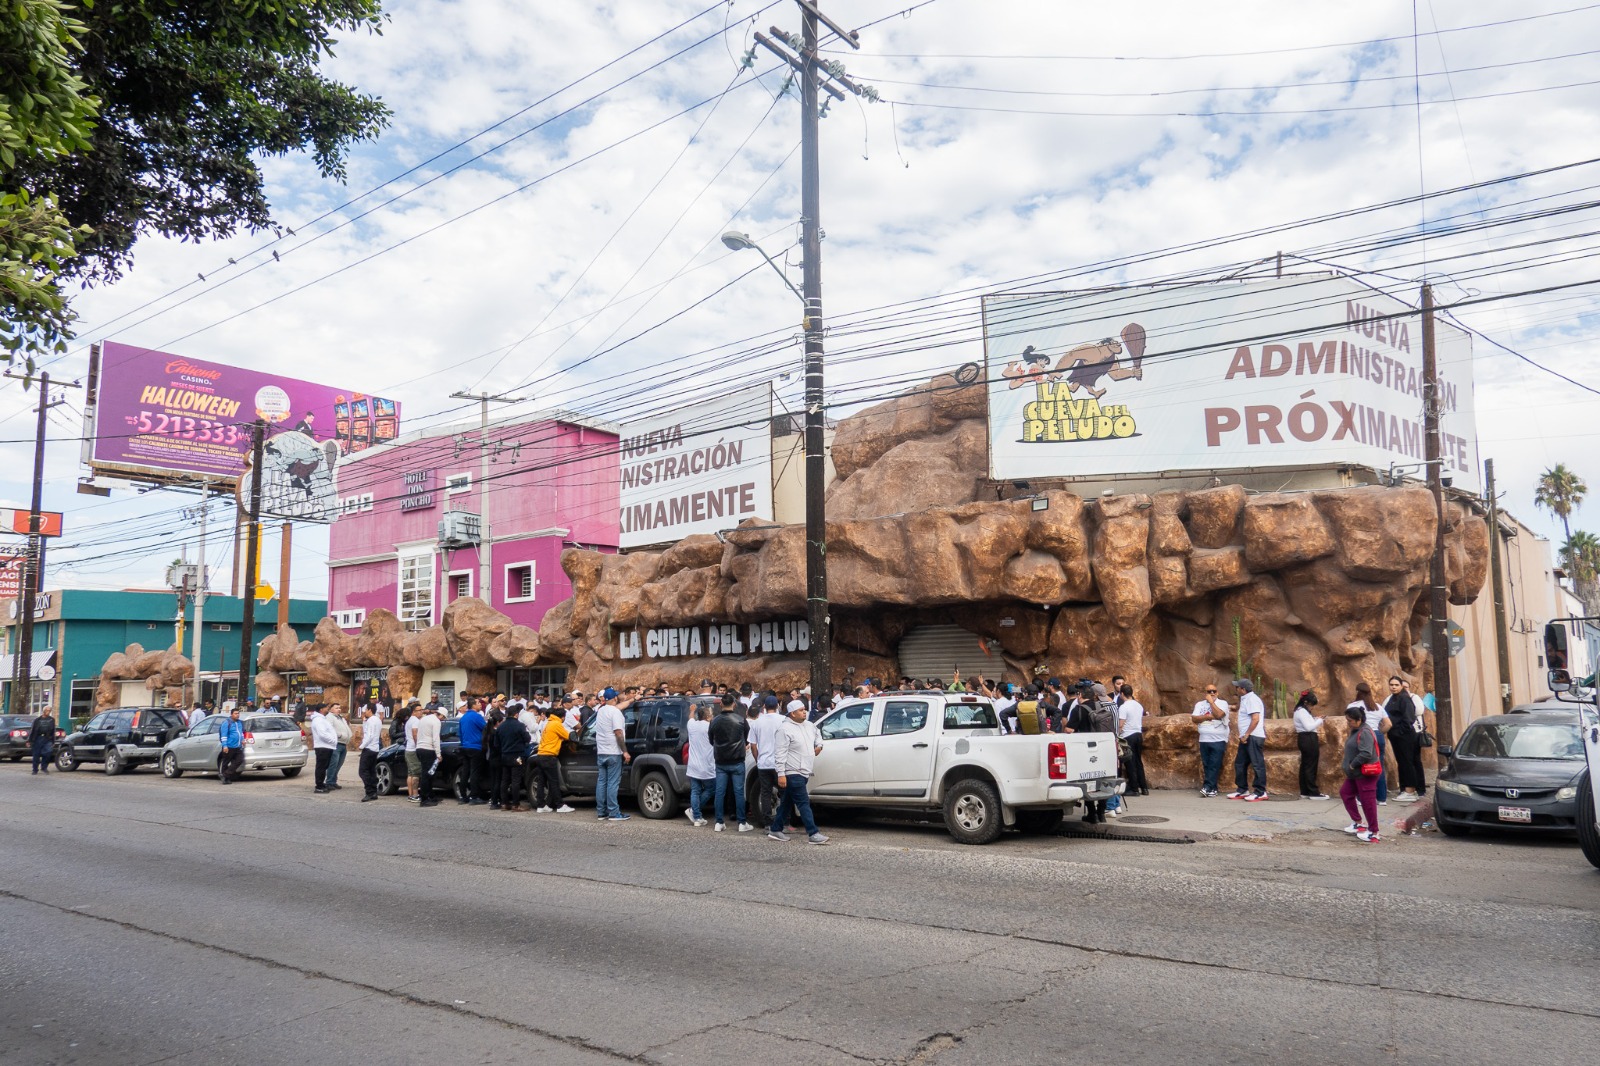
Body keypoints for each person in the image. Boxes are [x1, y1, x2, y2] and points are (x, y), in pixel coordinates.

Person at [769, 699, 828, 844]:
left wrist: (819, 745)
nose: (804, 712)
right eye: (801, 710)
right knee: (803, 802)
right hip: (792, 771)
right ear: (792, 713)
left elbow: (818, 734)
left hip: (805, 770)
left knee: (787, 802)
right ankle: (813, 833)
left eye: (804, 709)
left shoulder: (809, 725)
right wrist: (781, 773)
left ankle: (776, 829)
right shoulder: (784, 729)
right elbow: (780, 753)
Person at [709, 693, 753, 832]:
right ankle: (742, 822)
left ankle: (719, 822)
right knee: (739, 792)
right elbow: (747, 738)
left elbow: (711, 740)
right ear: (734, 704)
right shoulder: (741, 719)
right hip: (737, 760)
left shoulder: (714, 721)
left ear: (721, 704)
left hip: (720, 760)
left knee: (720, 792)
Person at [1340, 699, 1381, 843]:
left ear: (1359, 720)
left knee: (1368, 803)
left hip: (1364, 774)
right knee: (1345, 793)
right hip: (1355, 775)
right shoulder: (1357, 730)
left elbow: (1366, 753)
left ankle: (1374, 832)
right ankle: (1358, 823)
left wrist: (1352, 765)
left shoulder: (1365, 732)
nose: (1348, 723)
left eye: (1350, 721)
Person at [593, 688, 632, 822]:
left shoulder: (600, 710)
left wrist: (632, 699)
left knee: (602, 782)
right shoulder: (615, 713)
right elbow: (618, 733)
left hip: (601, 751)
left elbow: (619, 706)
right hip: (613, 752)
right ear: (614, 698)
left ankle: (601, 812)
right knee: (612, 784)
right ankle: (614, 813)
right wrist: (625, 751)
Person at [1385, 675, 1424, 803]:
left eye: (1396, 685)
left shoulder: (1405, 699)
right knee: (1402, 762)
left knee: (1408, 762)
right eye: (1391, 685)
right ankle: (1405, 789)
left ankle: (1410, 790)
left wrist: (1400, 732)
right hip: (1396, 736)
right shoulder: (1392, 698)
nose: (1393, 687)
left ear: (1401, 686)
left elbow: (1409, 718)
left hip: (1405, 736)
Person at [1228, 678, 1268, 801]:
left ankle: (1261, 791)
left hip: (1253, 736)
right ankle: (1242, 789)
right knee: (1240, 763)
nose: (1236, 689)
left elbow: (1255, 718)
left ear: (1243, 689)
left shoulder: (1252, 699)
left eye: (1238, 687)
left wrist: (1247, 734)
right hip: (1247, 737)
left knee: (1257, 764)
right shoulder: (1246, 699)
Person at [746, 694, 782, 827]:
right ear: (777, 706)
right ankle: (783, 821)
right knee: (783, 793)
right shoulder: (784, 720)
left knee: (765, 793)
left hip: (763, 763)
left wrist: (757, 759)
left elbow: (753, 746)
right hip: (780, 763)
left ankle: (767, 822)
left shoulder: (757, 723)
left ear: (764, 707)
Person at [1354, 681, 1392, 805]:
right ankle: (1381, 798)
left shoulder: (1353, 706)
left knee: (1361, 765)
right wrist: (1380, 732)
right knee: (1378, 765)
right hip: (1377, 735)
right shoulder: (1377, 707)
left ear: (1357, 692)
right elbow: (1388, 724)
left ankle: (1361, 797)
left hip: (1363, 735)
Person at [1192, 683, 1230, 798]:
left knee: (1214, 764)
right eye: (1209, 691)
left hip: (1218, 739)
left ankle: (1207, 787)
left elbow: (1219, 714)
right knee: (1207, 764)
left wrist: (1211, 702)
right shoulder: (1199, 704)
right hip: (1204, 739)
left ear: (1217, 692)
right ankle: (1213, 789)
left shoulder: (1222, 703)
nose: (1212, 693)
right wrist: (1207, 717)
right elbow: (1194, 718)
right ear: (1205, 693)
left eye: (1214, 691)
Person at [533, 703, 571, 813]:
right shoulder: (556, 724)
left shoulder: (548, 723)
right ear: (563, 717)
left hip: (541, 754)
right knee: (554, 781)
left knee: (541, 781)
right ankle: (560, 805)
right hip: (549, 756)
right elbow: (567, 736)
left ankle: (541, 805)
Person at [1292, 691, 1328, 800]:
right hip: (1308, 738)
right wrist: (1320, 720)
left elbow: (1308, 723)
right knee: (1311, 765)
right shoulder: (1302, 711)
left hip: (1305, 738)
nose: (1312, 707)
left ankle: (1305, 791)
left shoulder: (1300, 711)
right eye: (1311, 705)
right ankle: (1313, 792)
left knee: (1305, 765)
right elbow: (1308, 727)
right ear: (1306, 702)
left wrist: (1315, 719)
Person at [685, 702, 716, 827]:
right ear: (708, 717)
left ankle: (697, 817)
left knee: (695, 791)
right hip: (707, 765)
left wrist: (692, 709)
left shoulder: (692, 726)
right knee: (710, 789)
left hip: (693, 765)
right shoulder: (710, 727)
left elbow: (690, 718)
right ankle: (694, 811)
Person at [495, 709, 531, 812]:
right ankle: (516, 804)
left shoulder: (501, 726)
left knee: (505, 780)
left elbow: (496, 743)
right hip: (517, 755)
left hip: (505, 755)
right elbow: (527, 738)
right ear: (516, 715)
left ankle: (504, 803)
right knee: (516, 780)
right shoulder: (520, 725)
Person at [1116, 684, 1148, 796]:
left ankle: (1134, 788)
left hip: (1128, 735)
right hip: (1138, 734)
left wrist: (1117, 735)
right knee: (1138, 761)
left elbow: (1121, 724)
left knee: (1130, 762)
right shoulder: (1138, 705)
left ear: (1122, 694)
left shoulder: (1123, 707)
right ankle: (1144, 787)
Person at [459, 698, 488, 805]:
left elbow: (460, 733)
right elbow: (486, 728)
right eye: (478, 703)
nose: (480, 704)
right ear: (473, 705)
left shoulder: (463, 718)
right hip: (476, 747)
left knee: (465, 772)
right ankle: (474, 796)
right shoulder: (477, 716)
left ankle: (463, 796)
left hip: (465, 746)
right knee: (475, 772)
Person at [414, 704, 442, 807]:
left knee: (426, 773)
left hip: (419, 748)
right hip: (428, 749)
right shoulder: (436, 722)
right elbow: (436, 739)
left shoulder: (423, 719)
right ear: (441, 716)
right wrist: (438, 754)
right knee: (427, 775)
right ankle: (424, 799)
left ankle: (429, 795)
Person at [357, 703, 383, 802]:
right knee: (371, 771)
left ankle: (369, 791)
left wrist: (362, 745)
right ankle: (374, 791)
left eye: (366, 710)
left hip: (369, 748)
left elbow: (370, 735)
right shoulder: (378, 720)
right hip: (375, 748)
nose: (364, 712)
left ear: (370, 710)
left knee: (363, 771)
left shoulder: (371, 721)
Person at [309, 705, 337, 795]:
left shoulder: (322, 719)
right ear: (321, 709)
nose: (327, 709)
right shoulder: (318, 720)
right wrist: (333, 741)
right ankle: (319, 786)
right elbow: (322, 734)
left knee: (324, 766)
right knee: (321, 767)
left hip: (327, 746)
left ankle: (321, 783)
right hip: (323, 747)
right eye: (326, 708)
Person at [325, 705, 351, 790]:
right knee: (333, 764)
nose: (339, 709)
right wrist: (339, 735)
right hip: (336, 743)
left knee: (339, 764)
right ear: (331, 710)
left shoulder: (340, 718)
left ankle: (333, 781)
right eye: (336, 708)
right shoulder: (330, 717)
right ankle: (329, 782)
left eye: (339, 708)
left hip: (343, 744)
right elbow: (329, 729)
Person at [218, 707, 245, 784]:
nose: (237, 715)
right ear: (231, 714)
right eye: (235, 713)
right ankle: (226, 779)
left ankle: (225, 774)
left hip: (238, 746)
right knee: (225, 762)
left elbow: (241, 732)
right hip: (229, 746)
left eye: (238, 713)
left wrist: (242, 739)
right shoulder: (227, 723)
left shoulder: (239, 723)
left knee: (240, 760)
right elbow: (224, 735)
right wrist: (225, 746)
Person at [402, 702, 422, 803]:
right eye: (419, 710)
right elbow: (415, 734)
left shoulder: (409, 721)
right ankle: (415, 794)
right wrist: (418, 745)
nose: (421, 712)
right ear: (414, 712)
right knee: (416, 773)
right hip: (413, 749)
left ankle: (410, 795)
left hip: (408, 749)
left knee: (410, 773)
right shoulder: (415, 721)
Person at [28, 709, 55, 774]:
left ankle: (44, 767)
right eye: (48, 710)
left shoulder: (51, 720)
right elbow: (33, 730)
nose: (49, 712)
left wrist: (53, 741)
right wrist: (29, 740)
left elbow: (53, 730)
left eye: (50, 711)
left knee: (48, 753)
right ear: (44, 711)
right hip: (38, 738)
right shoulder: (37, 720)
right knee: (36, 754)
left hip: (47, 738)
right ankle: (35, 769)